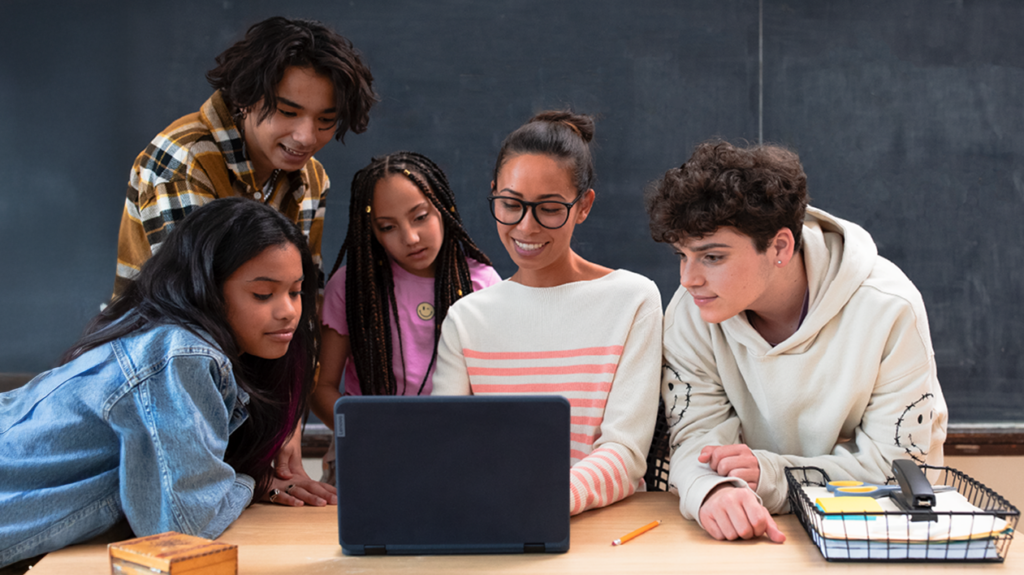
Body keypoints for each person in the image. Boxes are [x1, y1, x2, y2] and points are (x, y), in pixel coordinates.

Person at [0, 198, 335, 568]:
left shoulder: (166, 336)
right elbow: (182, 523)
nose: (288, 310)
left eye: (296, 291)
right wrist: (250, 483)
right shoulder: (183, 355)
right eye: (262, 293)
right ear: (206, 286)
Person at [645, 140, 948, 543]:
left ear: (780, 247)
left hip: (876, 533)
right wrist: (713, 491)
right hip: (750, 534)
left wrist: (772, 476)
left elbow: (898, 470)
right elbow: (696, 441)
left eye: (712, 257)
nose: (688, 279)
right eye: (682, 255)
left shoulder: (889, 308)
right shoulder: (690, 312)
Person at [432, 111, 662, 516]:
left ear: (583, 206)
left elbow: (625, 453)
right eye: (511, 204)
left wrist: (547, 498)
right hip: (497, 519)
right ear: (494, 194)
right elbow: (449, 446)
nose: (526, 227)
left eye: (549, 209)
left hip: (603, 529)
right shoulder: (467, 319)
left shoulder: (633, 301)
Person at [114, 16, 378, 298]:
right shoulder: (184, 161)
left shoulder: (312, 176)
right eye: (288, 112)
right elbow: (194, 303)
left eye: (326, 119)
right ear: (244, 97)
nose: (307, 137)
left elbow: (307, 293)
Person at [311, 151, 501, 483]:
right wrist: (368, 431)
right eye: (388, 227)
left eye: (420, 217)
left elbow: (498, 391)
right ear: (371, 230)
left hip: (458, 453)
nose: (410, 238)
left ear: (442, 208)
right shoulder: (352, 287)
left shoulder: (482, 284)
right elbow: (322, 387)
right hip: (368, 451)